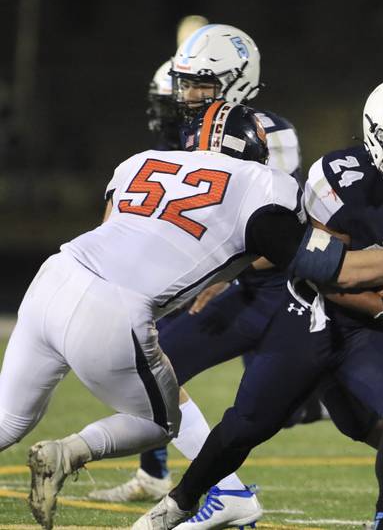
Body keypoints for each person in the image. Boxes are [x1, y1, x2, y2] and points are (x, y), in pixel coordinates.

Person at [0, 101, 383, 530]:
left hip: (53, 277)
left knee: (8, 420)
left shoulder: (140, 162)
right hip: (115, 308)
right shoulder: (263, 183)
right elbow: (333, 269)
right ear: (255, 149)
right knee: (160, 425)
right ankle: (69, 451)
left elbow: (121, 228)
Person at [132, 78, 383, 530]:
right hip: (312, 316)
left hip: (371, 332)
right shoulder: (340, 177)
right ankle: (176, 505)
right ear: (378, 139)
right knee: (247, 426)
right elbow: (321, 271)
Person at [90, 26, 332, 530]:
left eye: (202, 84)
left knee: (367, 406)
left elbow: (269, 227)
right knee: (155, 366)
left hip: (274, 281)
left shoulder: (267, 131)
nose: (184, 99)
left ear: (236, 81)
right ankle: (198, 484)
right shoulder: (187, 136)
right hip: (234, 279)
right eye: (184, 85)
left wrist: (207, 274)